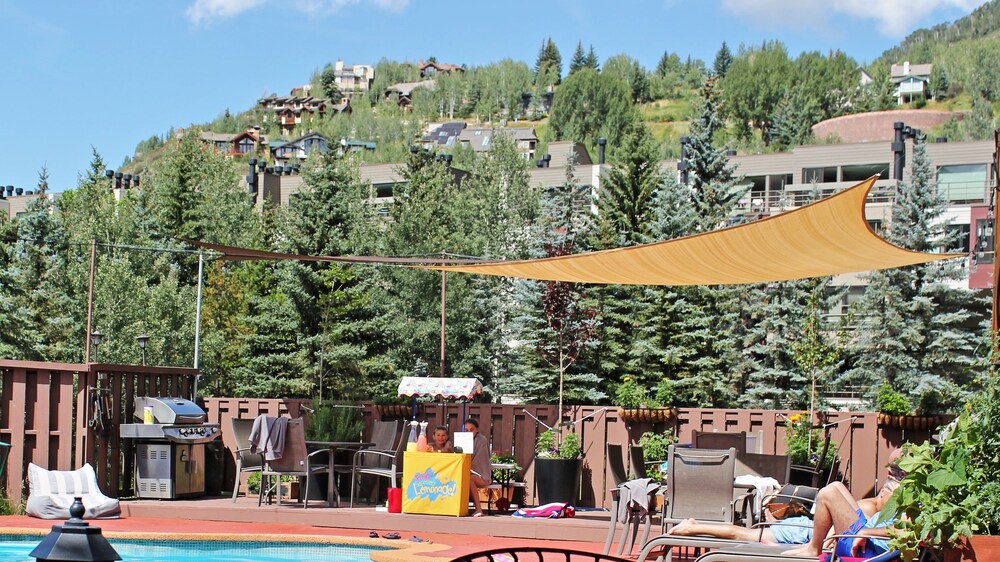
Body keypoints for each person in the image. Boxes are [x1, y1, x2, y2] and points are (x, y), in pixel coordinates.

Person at [669, 449, 905, 552]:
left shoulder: (909, 505)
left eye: (897, 471)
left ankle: (694, 526)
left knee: (750, 534)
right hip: (833, 532)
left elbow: (908, 531)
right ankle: (694, 525)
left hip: (840, 540)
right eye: (892, 470)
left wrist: (861, 533)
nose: (890, 474)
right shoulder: (890, 501)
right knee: (834, 488)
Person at [465, 417, 491, 517]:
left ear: (477, 430)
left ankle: (479, 509)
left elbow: (480, 459)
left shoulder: (482, 440)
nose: (469, 432)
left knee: (469, 479)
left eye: (471, 430)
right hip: (470, 472)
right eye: (466, 430)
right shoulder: (464, 440)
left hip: (482, 475)